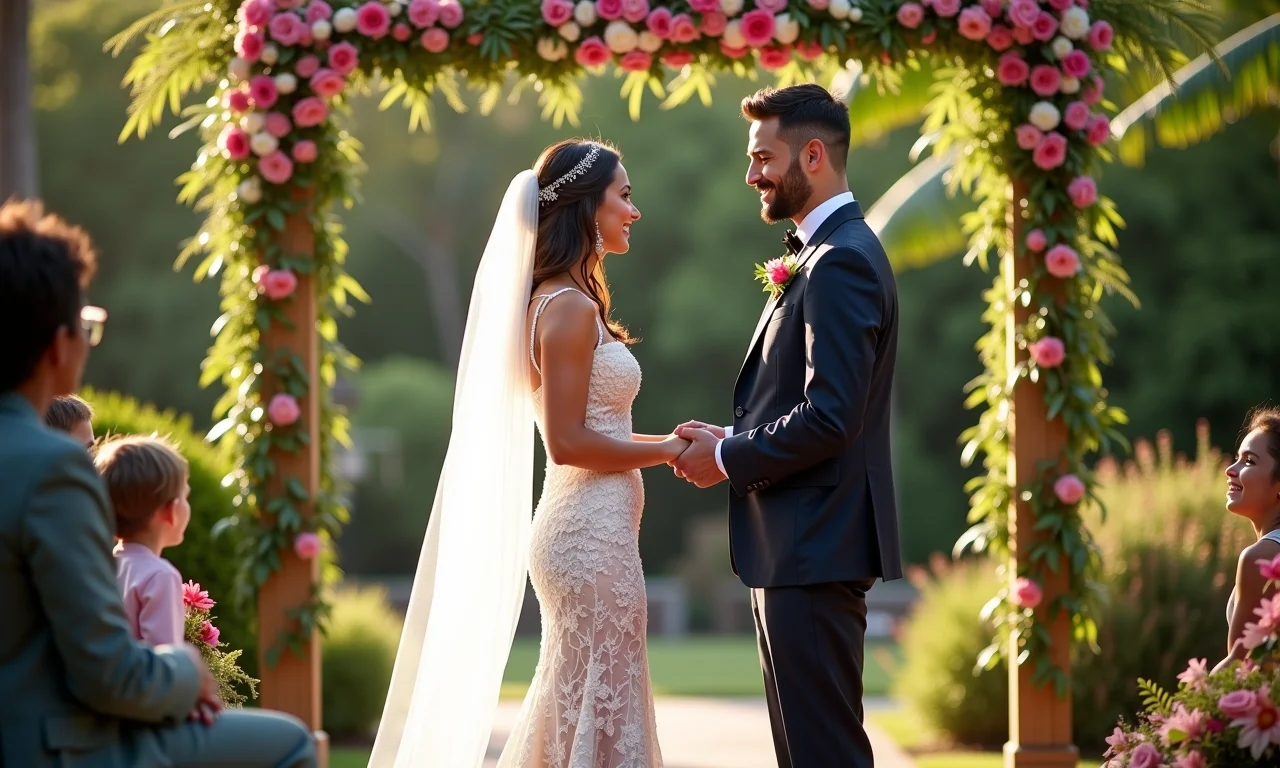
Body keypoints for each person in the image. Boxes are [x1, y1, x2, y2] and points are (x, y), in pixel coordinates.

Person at [369, 140, 681, 768]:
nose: (634, 210)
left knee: (583, 705)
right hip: (589, 535)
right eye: (624, 195)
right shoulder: (565, 310)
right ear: (586, 208)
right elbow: (567, 444)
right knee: (601, 706)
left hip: (600, 529)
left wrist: (664, 444)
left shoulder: (566, 302)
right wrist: (670, 450)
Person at [0, 198, 315, 768]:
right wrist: (185, 668)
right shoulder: (51, 469)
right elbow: (109, 673)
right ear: (56, 343)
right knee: (289, 743)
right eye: (85, 325)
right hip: (46, 744)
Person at [671, 84, 903, 768]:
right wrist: (728, 441)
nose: (751, 175)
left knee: (824, 754)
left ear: (812, 155)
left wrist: (730, 457)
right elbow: (802, 406)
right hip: (798, 548)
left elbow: (832, 416)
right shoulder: (820, 256)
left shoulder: (843, 262)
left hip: (814, 549)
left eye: (762, 157)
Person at [98, 434, 192, 647]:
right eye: (186, 496)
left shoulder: (102, 565)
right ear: (172, 511)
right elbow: (164, 661)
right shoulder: (160, 576)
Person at [1217, 406, 1280, 672]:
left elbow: (1240, 666)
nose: (1231, 470)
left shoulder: (1261, 558)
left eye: (1249, 461)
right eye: (1237, 458)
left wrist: (1179, 711)